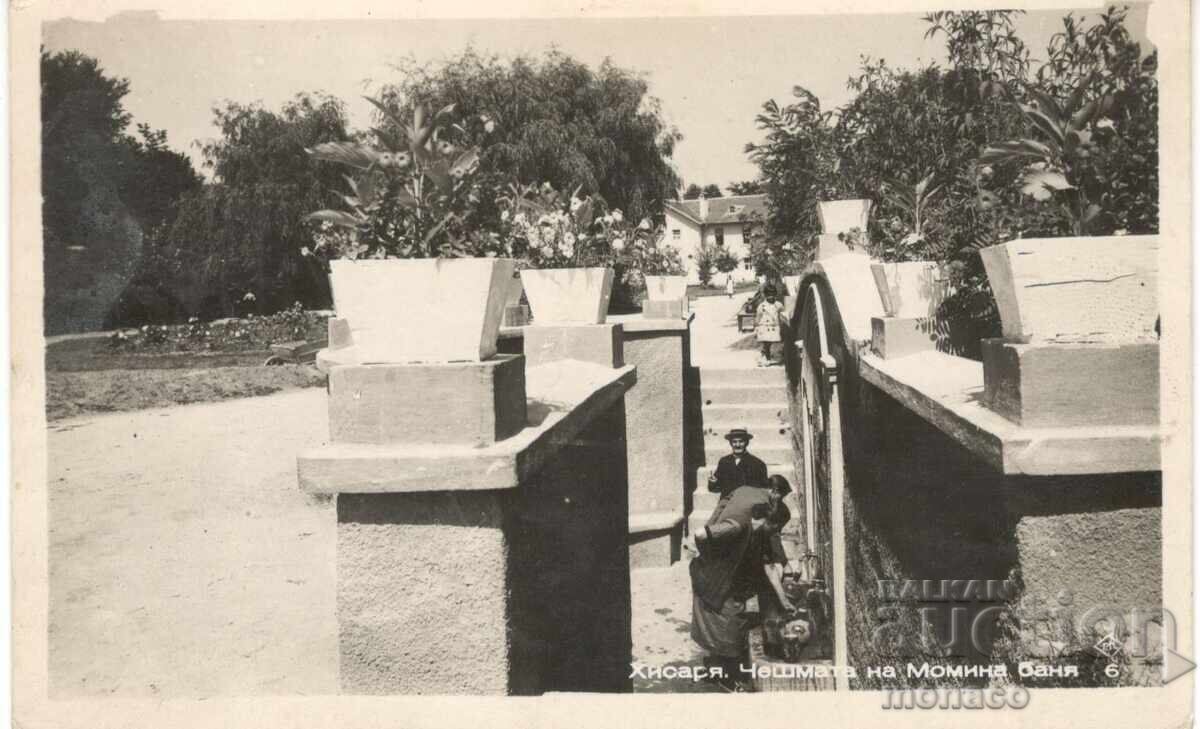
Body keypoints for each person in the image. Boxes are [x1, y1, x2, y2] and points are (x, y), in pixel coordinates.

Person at [690, 480, 771, 691]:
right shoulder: (737, 526)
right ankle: (727, 678)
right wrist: (704, 552)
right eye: (764, 522)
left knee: (721, 629)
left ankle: (717, 670)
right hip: (711, 580)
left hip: (717, 582)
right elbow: (700, 533)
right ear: (756, 518)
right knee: (727, 629)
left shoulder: (750, 530)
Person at [707, 428, 769, 496]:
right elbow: (715, 488)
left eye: (741, 441)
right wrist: (713, 482)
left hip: (747, 501)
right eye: (734, 442)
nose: (737, 445)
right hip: (727, 501)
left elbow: (763, 490)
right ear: (730, 443)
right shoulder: (724, 462)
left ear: (747, 443)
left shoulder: (757, 464)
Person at [755, 285, 785, 367]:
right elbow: (758, 317)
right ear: (765, 295)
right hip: (765, 326)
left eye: (773, 295)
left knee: (776, 342)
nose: (771, 297)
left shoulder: (778, 305)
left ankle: (776, 356)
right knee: (766, 343)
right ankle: (767, 357)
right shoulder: (762, 306)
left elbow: (782, 315)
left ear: (775, 294)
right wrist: (756, 327)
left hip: (775, 326)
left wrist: (782, 326)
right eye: (769, 295)